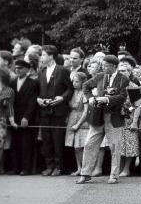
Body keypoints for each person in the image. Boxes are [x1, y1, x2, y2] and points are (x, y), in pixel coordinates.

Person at [78, 55, 130, 184]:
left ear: (113, 66)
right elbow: (86, 86)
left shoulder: (123, 79)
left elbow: (122, 96)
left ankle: (114, 175)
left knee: (115, 147)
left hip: (114, 117)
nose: (103, 67)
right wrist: (90, 97)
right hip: (98, 116)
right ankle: (85, 173)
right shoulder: (100, 76)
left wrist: (106, 99)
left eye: (106, 65)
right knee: (89, 144)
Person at [37, 45, 73, 176]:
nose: (41, 57)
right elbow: (38, 90)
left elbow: (70, 89)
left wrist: (62, 98)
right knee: (46, 140)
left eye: (43, 55)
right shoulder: (41, 72)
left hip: (58, 110)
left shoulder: (62, 70)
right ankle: (49, 165)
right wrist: (38, 99)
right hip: (44, 110)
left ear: (51, 56)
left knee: (57, 139)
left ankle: (58, 166)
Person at [10, 59, 39, 176]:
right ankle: (15, 168)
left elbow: (32, 102)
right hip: (14, 117)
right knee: (15, 143)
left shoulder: (33, 83)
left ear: (27, 69)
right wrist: (11, 117)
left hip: (27, 118)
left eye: (20, 68)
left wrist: (26, 117)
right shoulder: (12, 82)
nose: (17, 70)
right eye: (16, 68)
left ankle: (26, 168)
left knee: (26, 144)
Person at [65, 71, 89, 176]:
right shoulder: (73, 92)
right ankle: (79, 168)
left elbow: (86, 110)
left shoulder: (85, 93)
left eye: (77, 81)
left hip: (82, 120)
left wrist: (78, 124)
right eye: (73, 81)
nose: (74, 83)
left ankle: (85, 168)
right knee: (76, 146)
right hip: (72, 118)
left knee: (82, 146)